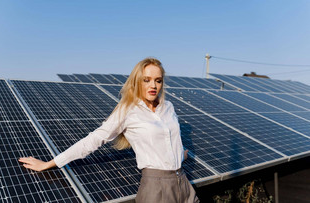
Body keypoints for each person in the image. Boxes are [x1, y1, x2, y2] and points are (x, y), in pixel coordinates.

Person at [19, 57, 199, 203]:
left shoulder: (168, 107)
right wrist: (49, 163)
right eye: (147, 80)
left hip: (182, 180)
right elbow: (94, 140)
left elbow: (169, 136)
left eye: (158, 80)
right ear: (137, 81)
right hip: (156, 188)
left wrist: (177, 155)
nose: (153, 85)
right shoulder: (128, 110)